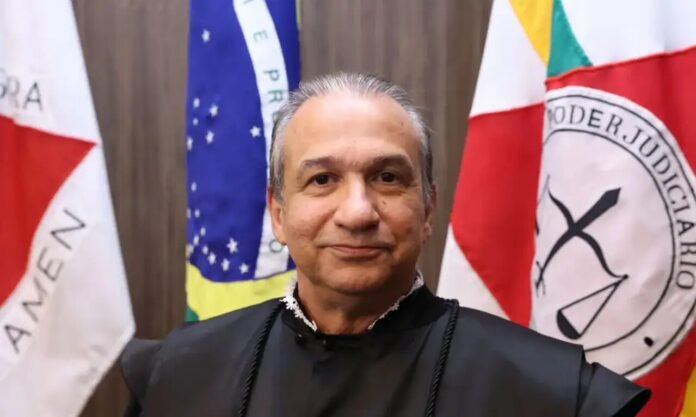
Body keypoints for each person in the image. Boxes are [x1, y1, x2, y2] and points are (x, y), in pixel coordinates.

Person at [121, 72, 650, 417]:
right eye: (322, 179)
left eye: (388, 178)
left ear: (428, 209)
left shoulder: (555, 394)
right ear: (278, 213)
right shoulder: (179, 374)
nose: (357, 212)